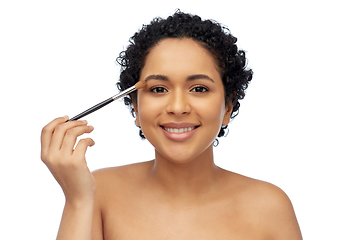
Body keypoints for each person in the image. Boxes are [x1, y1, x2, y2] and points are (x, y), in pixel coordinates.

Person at [41, 11, 302, 240]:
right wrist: (77, 200)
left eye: (199, 88)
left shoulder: (270, 207)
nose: (178, 107)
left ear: (228, 106)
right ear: (135, 107)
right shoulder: (99, 191)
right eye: (158, 88)